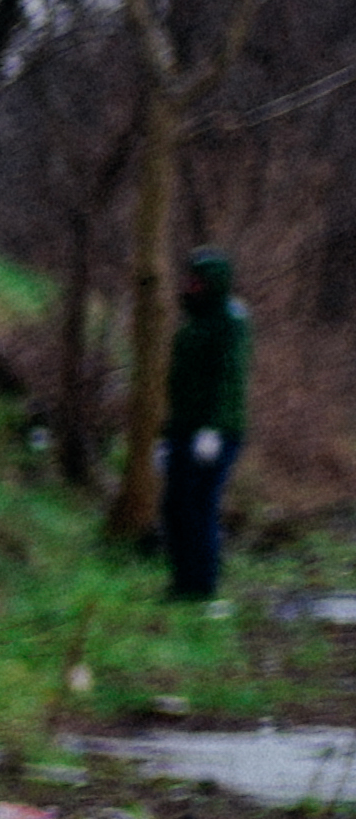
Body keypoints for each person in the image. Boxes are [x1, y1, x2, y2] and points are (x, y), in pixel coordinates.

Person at [167, 245, 253, 603]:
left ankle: (202, 587)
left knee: (201, 505)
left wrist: (213, 430)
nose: (190, 286)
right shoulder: (194, 321)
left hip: (217, 432)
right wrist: (166, 434)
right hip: (185, 428)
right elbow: (180, 384)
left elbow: (229, 379)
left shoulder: (231, 321)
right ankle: (182, 582)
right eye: (190, 279)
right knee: (175, 505)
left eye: (197, 281)